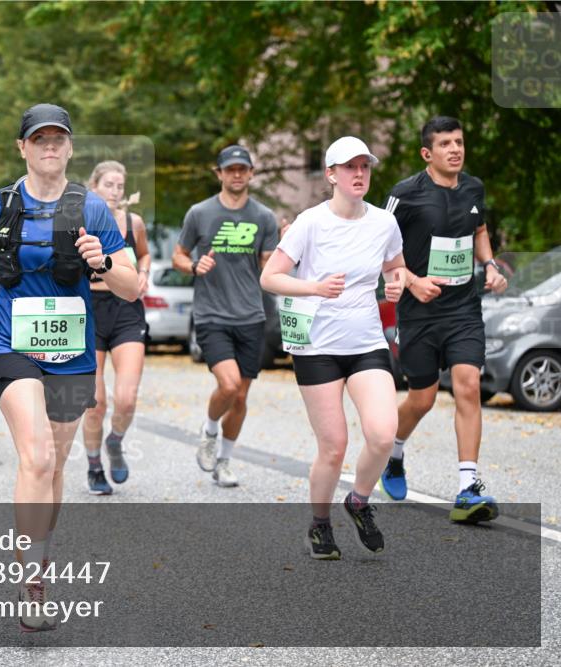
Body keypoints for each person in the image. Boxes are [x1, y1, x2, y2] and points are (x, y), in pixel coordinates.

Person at [0, 103, 137, 632]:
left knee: (55, 464)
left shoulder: (93, 209)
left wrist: (101, 261)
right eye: (40, 139)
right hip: (11, 343)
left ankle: (39, 551)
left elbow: (132, 287)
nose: (50, 146)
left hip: (72, 353)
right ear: (23, 148)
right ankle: (32, 582)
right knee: (35, 456)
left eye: (59, 138)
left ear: (70, 147)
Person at [261, 136, 406, 560]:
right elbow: (270, 277)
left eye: (365, 166)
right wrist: (314, 287)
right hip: (316, 346)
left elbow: (395, 266)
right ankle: (320, 524)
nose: (359, 173)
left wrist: (396, 282)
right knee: (334, 446)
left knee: (382, 434)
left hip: (365, 342)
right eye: (349, 167)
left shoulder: (383, 223)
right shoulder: (310, 222)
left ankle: (359, 501)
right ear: (331, 175)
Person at [381, 116, 508, 523]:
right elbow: (379, 250)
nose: (455, 149)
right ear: (426, 153)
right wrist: (413, 281)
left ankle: (467, 488)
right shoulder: (406, 194)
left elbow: (480, 229)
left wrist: (488, 264)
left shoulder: (473, 187)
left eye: (459, 141)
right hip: (418, 313)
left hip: (463, 308)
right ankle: (394, 454)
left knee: (468, 385)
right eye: (445, 144)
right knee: (423, 398)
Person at [172, 145, 279, 487]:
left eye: (242, 169)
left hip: (251, 314)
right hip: (212, 314)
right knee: (229, 385)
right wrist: (192, 265)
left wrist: (285, 248)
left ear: (250, 173)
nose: (236, 174)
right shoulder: (199, 213)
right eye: (229, 169)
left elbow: (268, 266)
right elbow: (178, 254)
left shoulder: (264, 217)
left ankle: (224, 461)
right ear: (218, 174)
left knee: (242, 396)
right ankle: (209, 430)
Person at [80, 160, 151, 495]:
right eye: (108, 184)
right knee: (94, 402)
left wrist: (144, 274)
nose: (115, 191)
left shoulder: (132, 222)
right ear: (94, 186)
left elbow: (145, 255)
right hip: (89, 310)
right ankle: (94, 466)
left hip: (126, 310)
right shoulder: (79, 221)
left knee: (125, 399)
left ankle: (115, 441)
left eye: (120, 186)